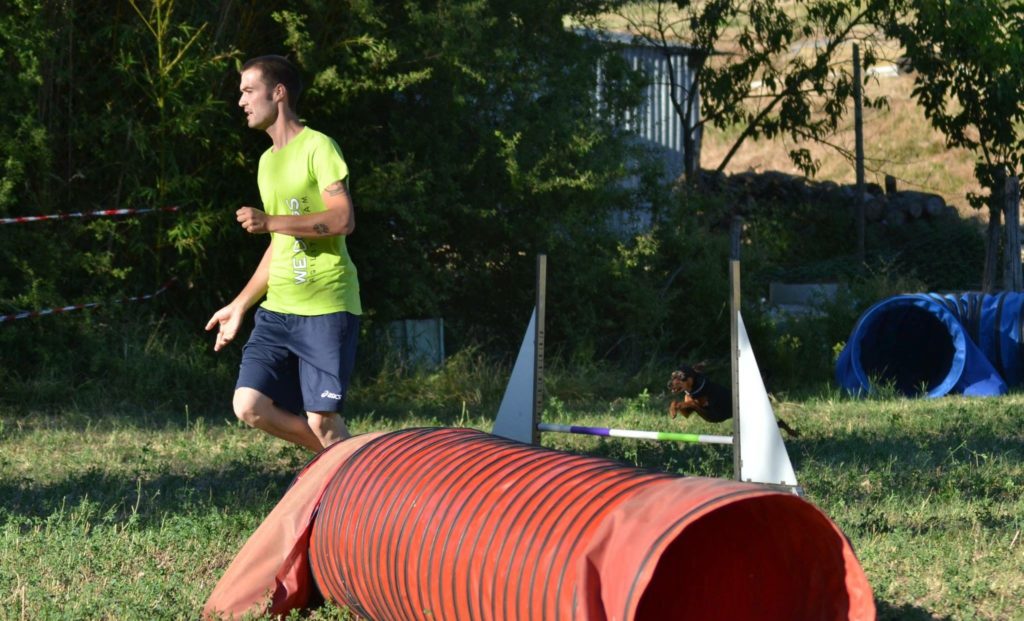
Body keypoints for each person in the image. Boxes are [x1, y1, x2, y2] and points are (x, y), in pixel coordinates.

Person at [205, 55, 361, 452]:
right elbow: (281, 245)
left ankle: (359, 475)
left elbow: (343, 219)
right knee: (249, 404)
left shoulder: (318, 147)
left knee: (323, 422)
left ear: (278, 93)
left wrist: (271, 221)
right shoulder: (265, 163)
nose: (240, 101)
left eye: (248, 91)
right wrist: (240, 305)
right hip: (278, 311)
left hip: (325, 307)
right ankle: (350, 466)